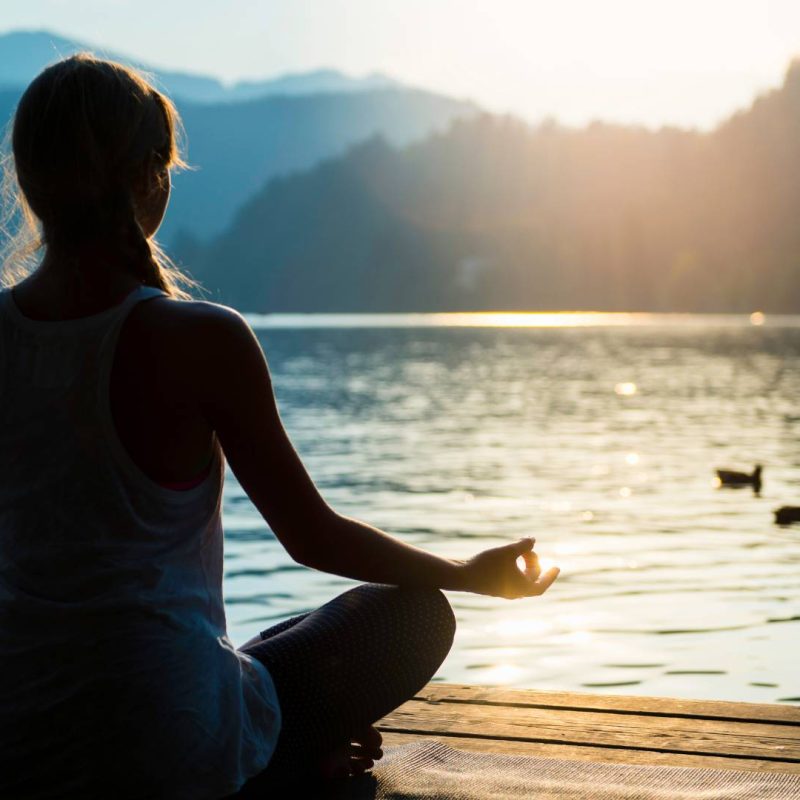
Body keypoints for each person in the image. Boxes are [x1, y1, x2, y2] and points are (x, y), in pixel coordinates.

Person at [0, 54, 560, 799]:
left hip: (21, 738)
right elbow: (313, 537)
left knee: (257, 646)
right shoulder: (202, 338)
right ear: (146, 179)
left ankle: (276, 737)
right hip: (167, 743)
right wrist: (467, 575)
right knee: (410, 615)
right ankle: (283, 758)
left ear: (33, 184)